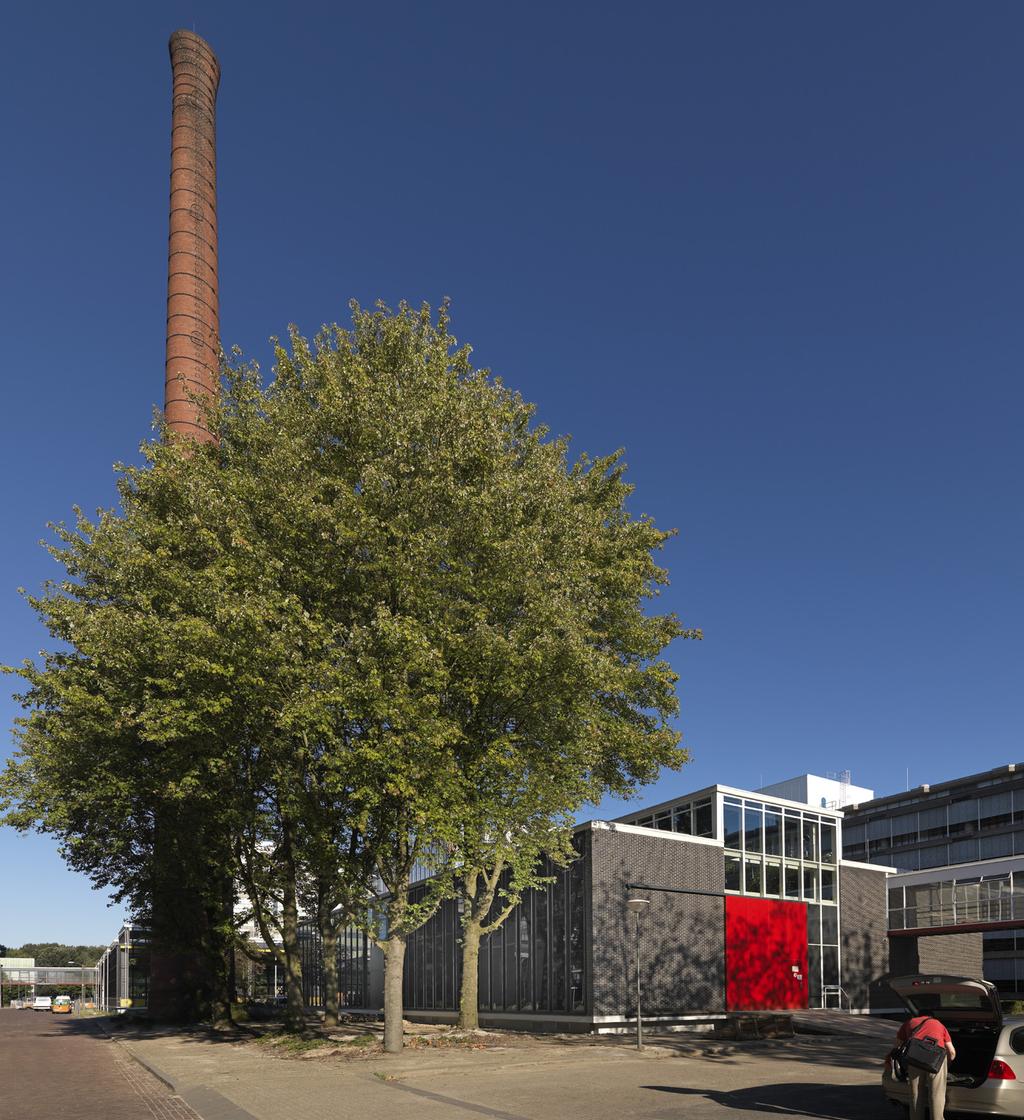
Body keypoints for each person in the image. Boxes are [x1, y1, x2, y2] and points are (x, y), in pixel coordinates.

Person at [894, 1013, 956, 1120]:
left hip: (914, 1060)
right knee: (936, 1094)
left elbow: (897, 1046)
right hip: (935, 1061)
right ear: (931, 1017)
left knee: (916, 1093)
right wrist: (946, 1066)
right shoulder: (939, 1024)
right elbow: (952, 1052)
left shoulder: (909, 1023)